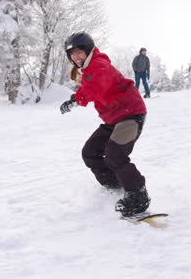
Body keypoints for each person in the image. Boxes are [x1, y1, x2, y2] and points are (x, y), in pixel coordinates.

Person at [59, 32, 151, 218]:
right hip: (114, 119)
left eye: (79, 52)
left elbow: (97, 86)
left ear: (88, 50)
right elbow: (91, 86)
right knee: (90, 152)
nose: (76, 57)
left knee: (115, 154)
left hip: (130, 115)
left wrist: (77, 99)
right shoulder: (88, 69)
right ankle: (116, 186)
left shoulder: (99, 64)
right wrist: (76, 96)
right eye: (72, 54)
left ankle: (138, 195)